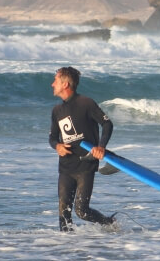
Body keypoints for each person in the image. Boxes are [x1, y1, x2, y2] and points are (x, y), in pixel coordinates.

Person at [49, 66, 116, 231]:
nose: (52, 84)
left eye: (55, 80)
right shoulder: (57, 110)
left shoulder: (86, 103)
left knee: (81, 211)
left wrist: (101, 147)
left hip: (85, 165)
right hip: (65, 167)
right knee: (63, 215)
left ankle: (110, 224)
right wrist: (57, 146)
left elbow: (107, 124)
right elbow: (52, 138)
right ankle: (68, 250)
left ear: (65, 84)